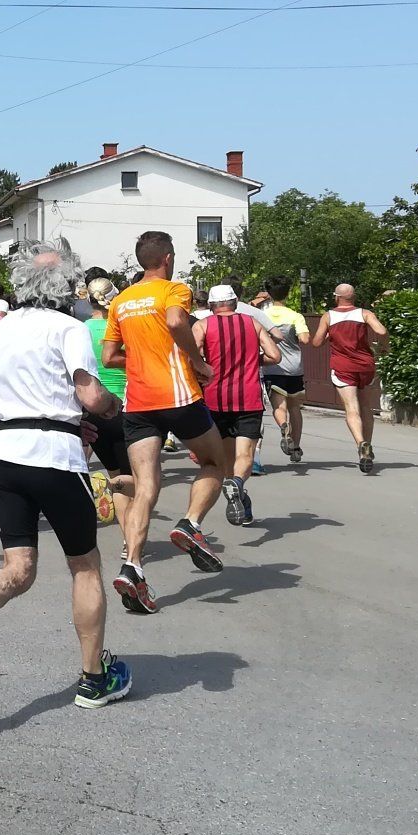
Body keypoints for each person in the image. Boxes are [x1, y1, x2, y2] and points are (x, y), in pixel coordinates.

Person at [0, 246, 131, 708]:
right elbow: (90, 396)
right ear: (67, 287)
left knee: (19, 568)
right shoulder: (68, 328)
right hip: (55, 458)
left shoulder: (3, 328)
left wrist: (44, 413)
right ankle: (93, 679)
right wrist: (112, 407)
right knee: (85, 565)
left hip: (6, 456)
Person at [103, 230, 232, 614]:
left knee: (145, 486)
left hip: (138, 403)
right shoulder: (174, 289)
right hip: (177, 396)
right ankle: (190, 524)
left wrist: (142, 360)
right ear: (168, 258)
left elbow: (109, 357)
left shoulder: (121, 301)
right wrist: (197, 361)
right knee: (215, 462)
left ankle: (133, 566)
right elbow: (176, 322)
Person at [195, 283, 279, 528]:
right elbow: (275, 356)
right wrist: (254, 360)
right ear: (234, 302)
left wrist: (203, 370)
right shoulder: (252, 323)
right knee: (245, 455)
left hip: (215, 399)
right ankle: (238, 487)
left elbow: (191, 358)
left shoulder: (202, 325)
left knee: (226, 459)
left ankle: (236, 490)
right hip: (248, 398)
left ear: (211, 305)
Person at [312, 284, 388, 472]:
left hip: (343, 366)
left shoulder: (329, 316)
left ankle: (361, 443)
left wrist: (328, 335)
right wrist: (385, 347)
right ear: (353, 297)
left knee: (352, 408)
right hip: (365, 365)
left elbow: (316, 342)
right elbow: (381, 331)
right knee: (366, 407)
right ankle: (367, 445)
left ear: (336, 297)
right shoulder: (364, 313)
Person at [82, 275, 131, 524]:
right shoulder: (123, 327)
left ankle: (108, 485)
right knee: (135, 480)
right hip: (124, 405)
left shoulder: (80, 330)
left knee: (116, 471)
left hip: (92, 409)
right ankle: (129, 539)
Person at [255, 276, 310, 465]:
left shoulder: (261, 315)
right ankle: (296, 447)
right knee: (295, 408)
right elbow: (305, 339)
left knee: (279, 406)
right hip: (294, 368)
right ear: (287, 293)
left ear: (269, 294)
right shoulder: (295, 316)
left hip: (272, 367)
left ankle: (284, 427)